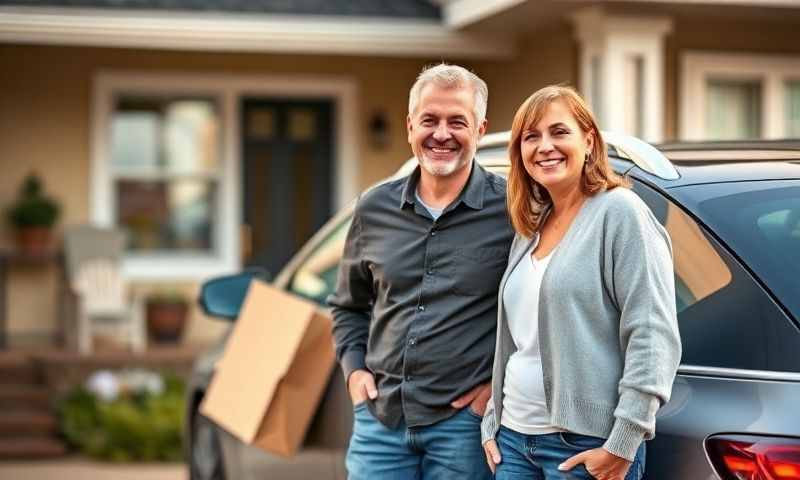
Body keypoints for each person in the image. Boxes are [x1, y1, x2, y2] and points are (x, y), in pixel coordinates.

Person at [480, 85, 681, 480]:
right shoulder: (531, 227)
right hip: (514, 442)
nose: (544, 146)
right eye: (531, 137)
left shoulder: (620, 214)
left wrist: (623, 443)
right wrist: (493, 421)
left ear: (588, 141)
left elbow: (653, 333)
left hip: (583, 446)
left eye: (559, 132)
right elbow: (517, 340)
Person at [328, 63, 514, 479]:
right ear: (410, 126)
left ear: (480, 131)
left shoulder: (513, 210)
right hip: (380, 423)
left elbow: (538, 311)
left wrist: (495, 389)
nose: (442, 133)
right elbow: (347, 305)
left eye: (457, 121)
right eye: (430, 120)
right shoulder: (373, 208)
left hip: (464, 429)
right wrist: (355, 371)